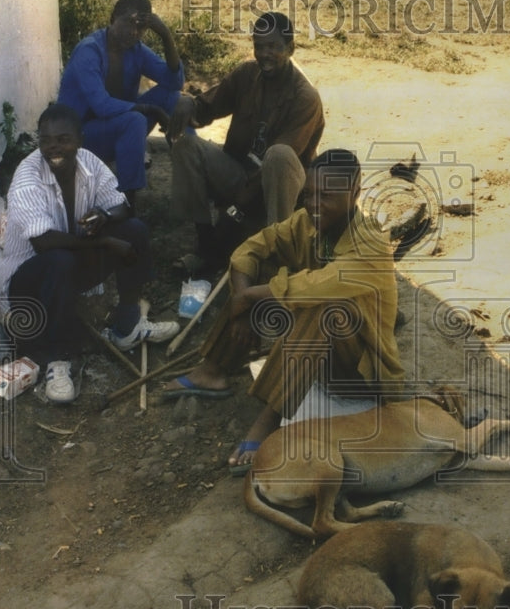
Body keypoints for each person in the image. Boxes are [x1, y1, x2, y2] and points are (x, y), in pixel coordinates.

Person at [162, 149, 404, 472]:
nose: (315, 205)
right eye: (310, 194)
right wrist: (245, 302)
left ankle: (268, 420)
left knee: (322, 307)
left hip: (363, 372)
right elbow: (251, 249)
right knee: (260, 272)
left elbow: (314, 286)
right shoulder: (308, 221)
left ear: (355, 193)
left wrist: (248, 300)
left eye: (327, 196)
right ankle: (213, 370)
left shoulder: (371, 244)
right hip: (319, 356)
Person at [0, 103, 179, 404]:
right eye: (45, 140)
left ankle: (127, 326)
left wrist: (104, 215)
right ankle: (58, 359)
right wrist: (104, 243)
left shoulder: (88, 162)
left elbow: (122, 205)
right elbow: (44, 244)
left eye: (63, 139)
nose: (53, 147)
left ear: (80, 139)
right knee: (59, 259)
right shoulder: (28, 177)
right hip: (27, 287)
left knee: (134, 230)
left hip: (67, 271)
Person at [167, 11, 325, 274]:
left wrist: (236, 208)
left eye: (273, 46)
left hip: (281, 192)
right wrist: (187, 102)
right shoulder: (246, 75)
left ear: (290, 48)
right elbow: (206, 109)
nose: (264, 54)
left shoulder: (305, 97)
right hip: (240, 174)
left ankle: (280, 256)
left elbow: (279, 162)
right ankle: (207, 246)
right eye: (259, 46)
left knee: (279, 155)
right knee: (187, 146)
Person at [57, 0, 185, 212]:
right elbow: (101, 105)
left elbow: (175, 82)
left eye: (141, 28)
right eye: (128, 23)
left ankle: (191, 163)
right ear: (113, 18)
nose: (133, 32)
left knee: (172, 98)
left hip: (116, 130)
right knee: (135, 119)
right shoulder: (89, 51)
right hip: (80, 139)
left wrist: (166, 36)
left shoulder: (135, 50)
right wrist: (148, 108)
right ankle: (127, 201)